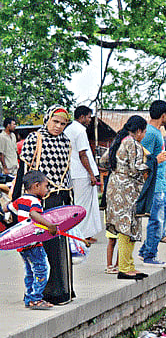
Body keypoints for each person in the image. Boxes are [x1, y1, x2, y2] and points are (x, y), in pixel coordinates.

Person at [17, 106, 76, 304]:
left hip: (60, 199)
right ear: (47, 119)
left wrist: (70, 201)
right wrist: (17, 203)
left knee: (59, 246)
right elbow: (24, 173)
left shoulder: (66, 142)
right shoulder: (35, 139)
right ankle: (42, 293)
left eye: (63, 123)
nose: (58, 126)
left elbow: (67, 175)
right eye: (55, 122)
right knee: (42, 248)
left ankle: (62, 290)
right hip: (40, 202)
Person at [103, 115, 151, 281]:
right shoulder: (132, 142)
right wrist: (153, 162)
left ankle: (128, 264)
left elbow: (104, 161)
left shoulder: (120, 139)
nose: (143, 135)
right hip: (127, 189)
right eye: (143, 132)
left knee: (125, 225)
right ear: (138, 131)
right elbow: (136, 167)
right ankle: (124, 267)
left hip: (115, 186)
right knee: (127, 226)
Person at [137, 100, 166, 267]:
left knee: (160, 219)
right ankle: (150, 255)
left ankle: (145, 250)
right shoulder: (152, 134)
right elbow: (142, 157)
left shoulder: (156, 133)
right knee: (158, 220)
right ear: (163, 115)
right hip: (156, 184)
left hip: (160, 182)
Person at [12, 171, 58, 308]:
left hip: (22, 243)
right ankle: (36, 298)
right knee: (42, 269)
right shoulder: (35, 202)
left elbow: (8, 208)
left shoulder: (20, 200)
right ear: (36, 186)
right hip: (34, 243)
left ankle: (29, 297)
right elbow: (33, 214)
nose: (47, 190)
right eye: (46, 186)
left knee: (29, 271)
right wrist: (50, 225)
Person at [64, 106, 101, 255]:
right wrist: (92, 174)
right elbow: (83, 155)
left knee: (77, 204)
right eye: (88, 116)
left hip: (72, 173)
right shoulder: (79, 130)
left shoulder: (68, 129)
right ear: (82, 117)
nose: (90, 120)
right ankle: (83, 235)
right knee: (83, 206)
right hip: (81, 173)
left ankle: (82, 234)